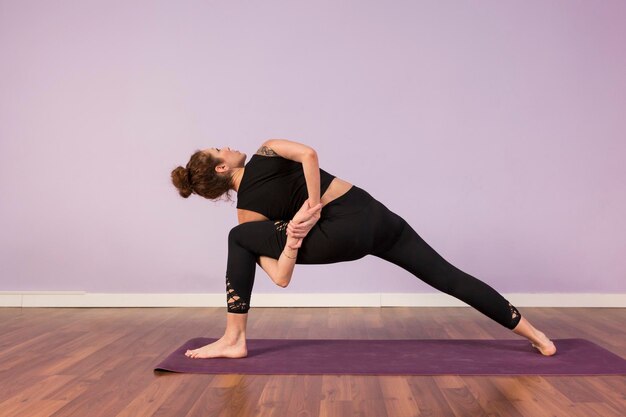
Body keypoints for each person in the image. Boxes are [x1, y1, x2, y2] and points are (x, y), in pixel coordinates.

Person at [170, 139, 557, 359]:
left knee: (236, 240)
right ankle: (537, 335)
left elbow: (281, 277)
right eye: (220, 148)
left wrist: (308, 213)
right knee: (448, 277)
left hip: (342, 230)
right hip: (374, 215)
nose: (227, 145)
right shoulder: (267, 151)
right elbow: (309, 154)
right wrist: (297, 229)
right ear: (221, 168)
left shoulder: (247, 221)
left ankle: (235, 338)